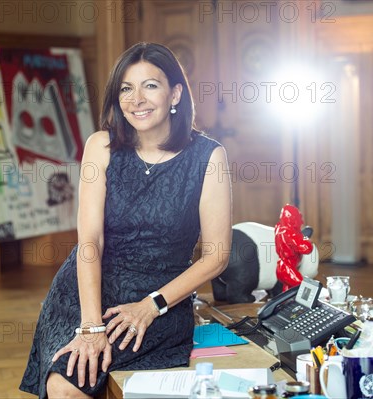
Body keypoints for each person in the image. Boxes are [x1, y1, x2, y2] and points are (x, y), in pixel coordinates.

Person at [20, 42, 232, 398]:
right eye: (126, 88)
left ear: (175, 93)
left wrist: (153, 305)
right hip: (86, 292)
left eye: (150, 85)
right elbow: (90, 241)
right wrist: (90, 326)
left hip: (159, 302)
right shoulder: (100, 147)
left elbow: (216, 256)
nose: (137, 99)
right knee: (65, 384)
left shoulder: (209, 157)